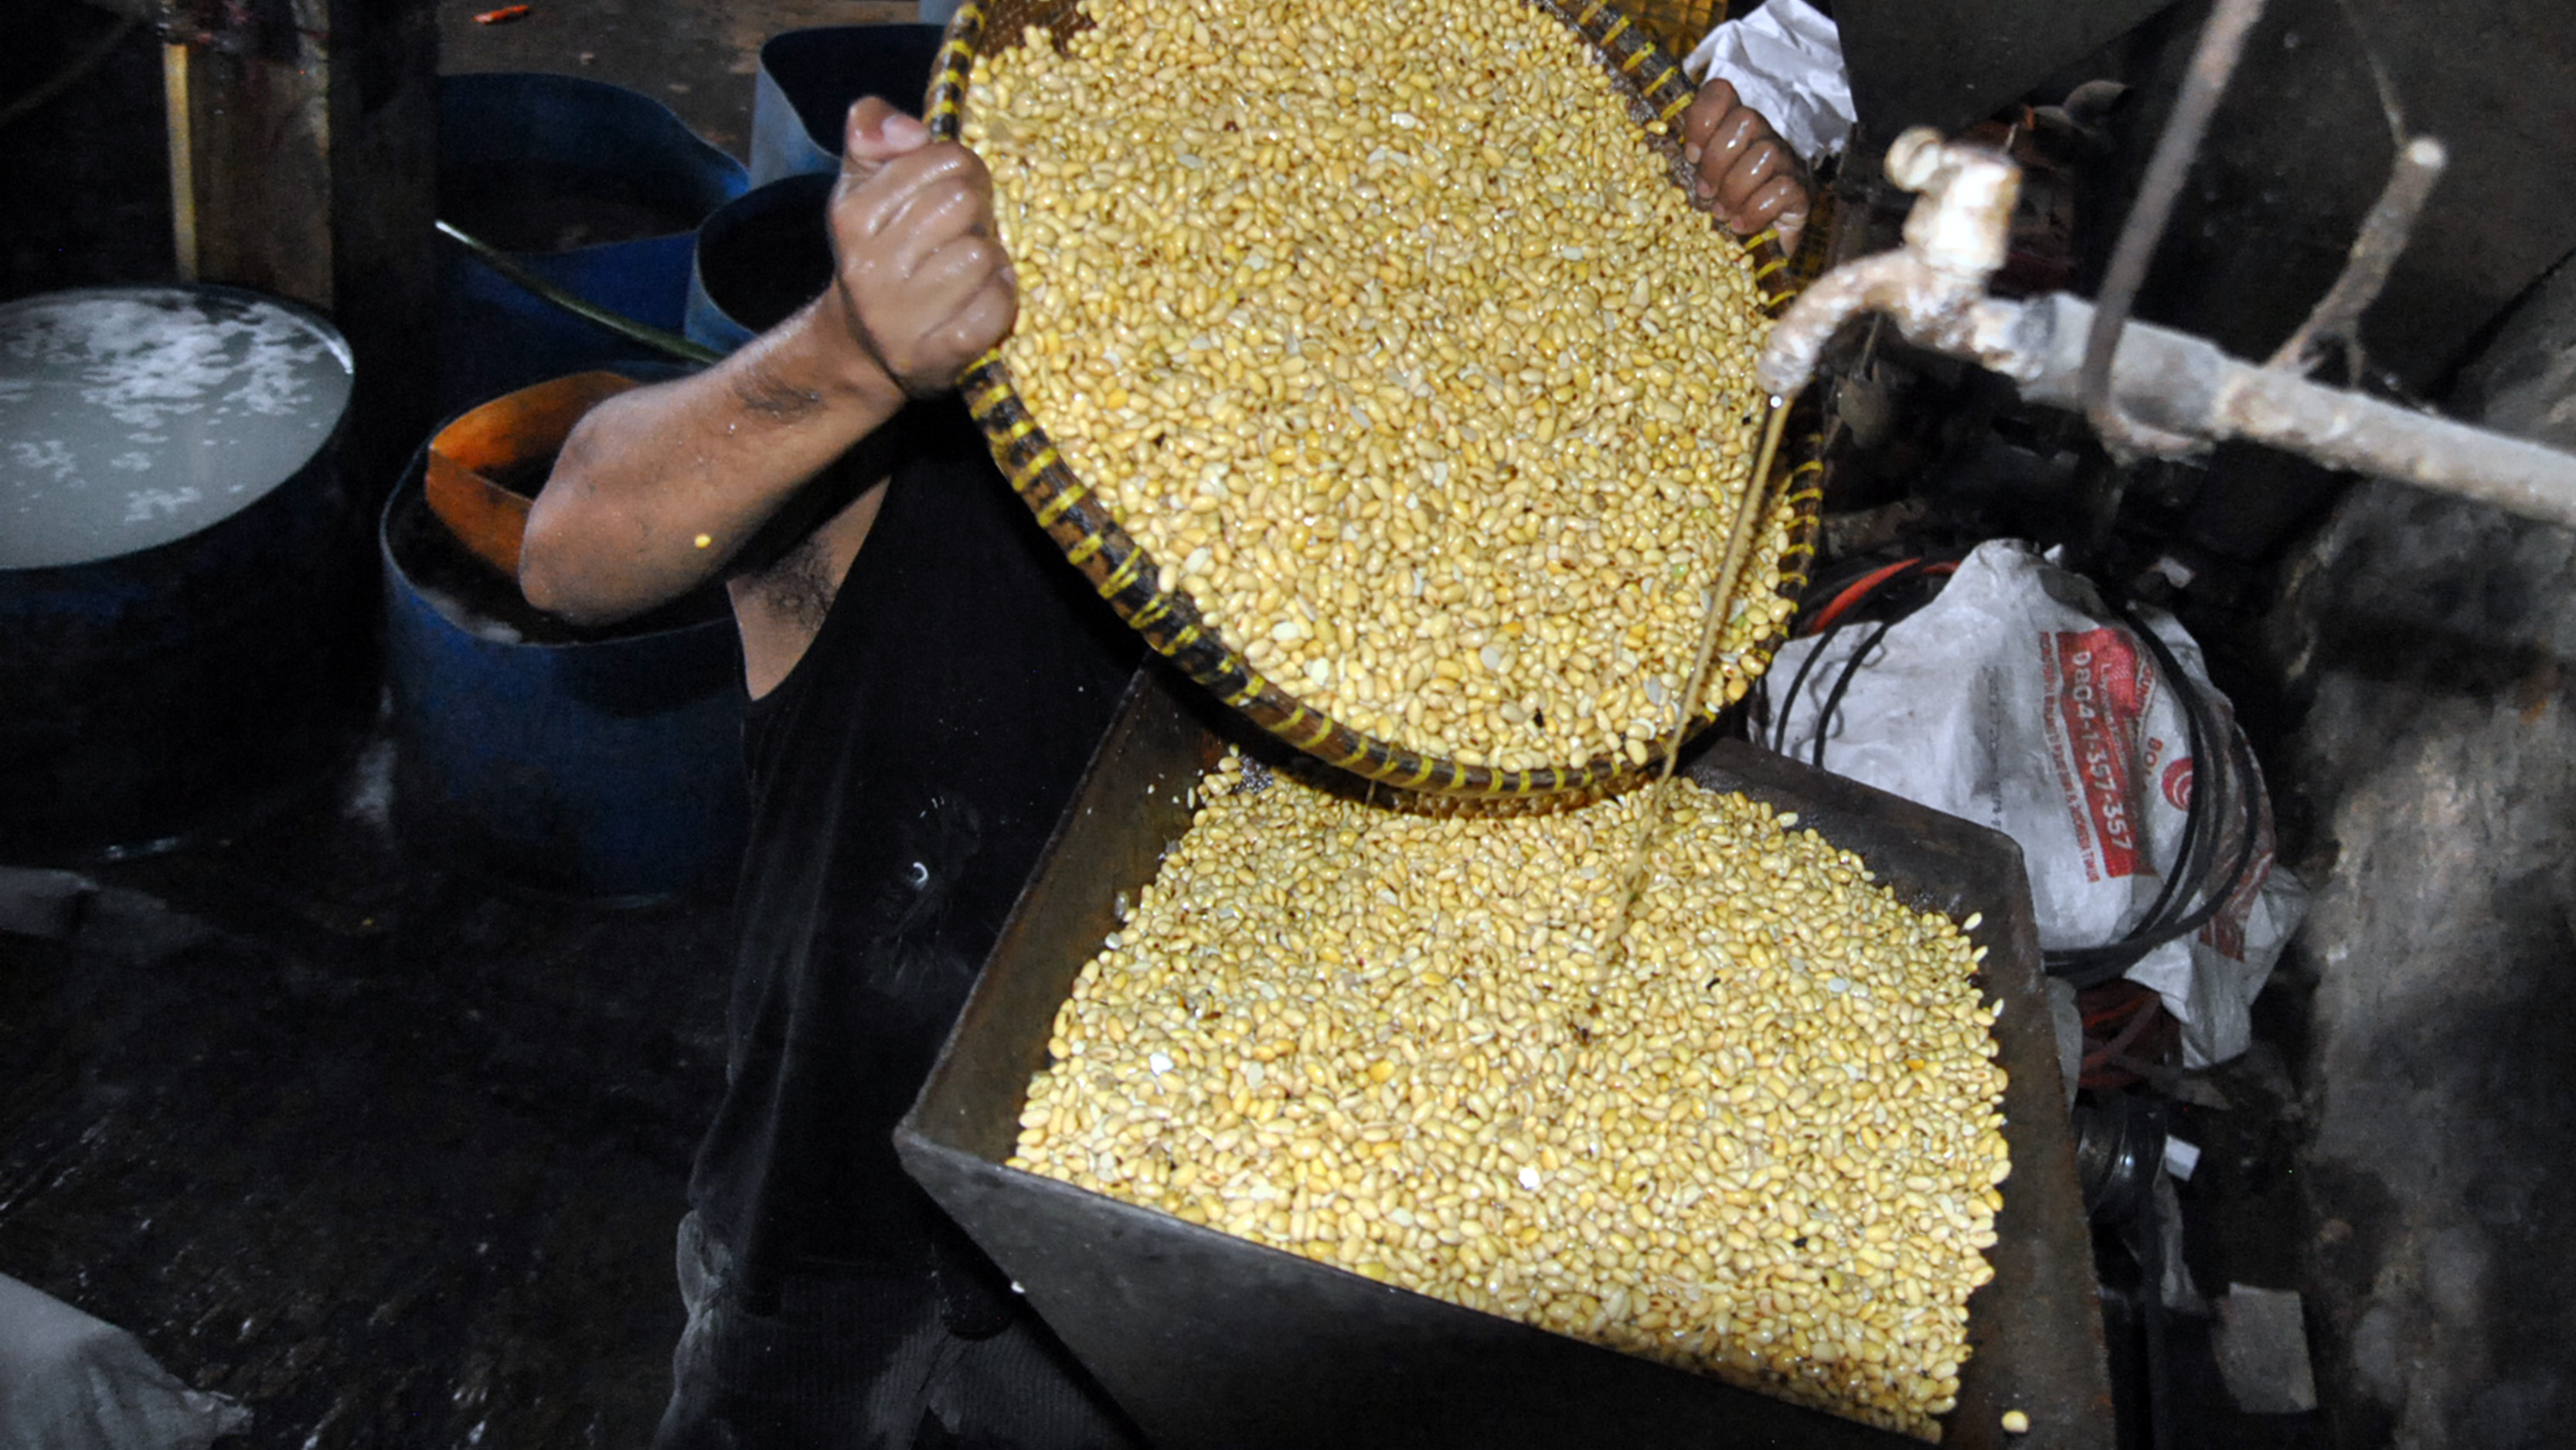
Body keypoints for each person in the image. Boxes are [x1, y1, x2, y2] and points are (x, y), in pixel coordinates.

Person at [519, 77, 1809, 1449]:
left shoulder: (1415, 598)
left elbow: (1640, 631)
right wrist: (852, 350)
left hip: (1129, 1320)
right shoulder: (947, 438)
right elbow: (571, 546)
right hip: (819, 1256)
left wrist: (1695, 294)